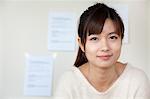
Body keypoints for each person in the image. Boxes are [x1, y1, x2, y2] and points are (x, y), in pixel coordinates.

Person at [53, 3, 150, 99]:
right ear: (81, 44)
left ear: (121, 40)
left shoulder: (136, 80)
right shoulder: (68, 83)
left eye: (112, 37)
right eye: (94, 39)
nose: (105, 47)